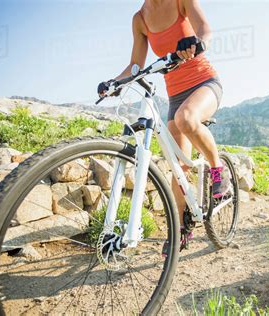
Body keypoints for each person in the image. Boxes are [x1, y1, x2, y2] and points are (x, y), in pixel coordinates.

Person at [98, 0, 229, 250]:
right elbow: (135, 65)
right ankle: (181, 227)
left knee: (186, 119)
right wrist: (113, 83)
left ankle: (217, 169)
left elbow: (205, 31)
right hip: (175, 95)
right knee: (178, 168)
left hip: (204, 83)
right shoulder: (140, 20)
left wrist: (196, 42)